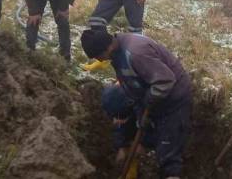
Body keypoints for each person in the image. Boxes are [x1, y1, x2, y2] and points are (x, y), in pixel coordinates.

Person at [82, 30, 191, 179]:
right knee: (136, 120)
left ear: (107, 48)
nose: (99, 60)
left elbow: (165, 81)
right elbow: (131, 90)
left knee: (167, 153)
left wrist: (148, 101)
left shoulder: (136, 53)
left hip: (173, 98)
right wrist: (125, 142)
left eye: (98, 56)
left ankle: (171, 174)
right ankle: (142, 148)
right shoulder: (116, 53)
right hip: (148, 94)